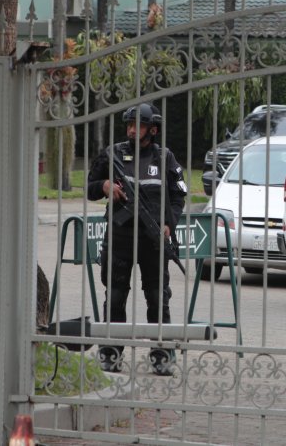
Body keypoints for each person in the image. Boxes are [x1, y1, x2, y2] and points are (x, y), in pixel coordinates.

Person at [87, 102, 187, 375]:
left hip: (153, 241)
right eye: (129, 125)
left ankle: (162, 354)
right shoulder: (112, 154)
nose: (132, 130)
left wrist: (169, 224)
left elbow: (178, 196)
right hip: (120, 239)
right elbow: (89, 187)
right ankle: (110, 353)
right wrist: (105, 186)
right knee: (116, 296)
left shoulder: (165, 157)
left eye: (138, 125)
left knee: (157, 298)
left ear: (152, 129)